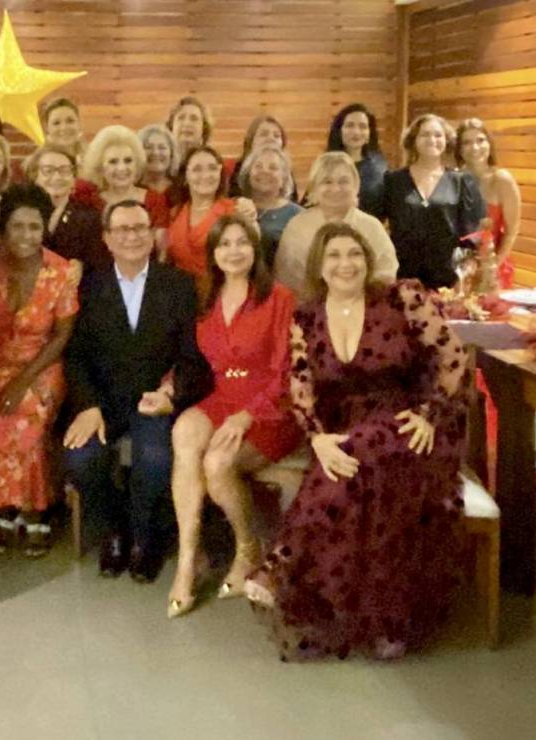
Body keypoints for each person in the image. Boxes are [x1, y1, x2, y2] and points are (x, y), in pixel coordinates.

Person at [245, 221, 468, 661]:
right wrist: (317, 440)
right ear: (319, 267)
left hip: (408, 423)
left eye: (354, 254)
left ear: (368, 260)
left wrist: (431, 413)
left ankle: (281, 563)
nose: (345, 264)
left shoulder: (402, 298)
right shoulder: (307, 318)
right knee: (351, 472)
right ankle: (385, 622)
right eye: (334, 256)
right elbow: (300, 388)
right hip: (346, 430)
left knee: (351, 455)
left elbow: (453, 356)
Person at [64, 200, 212, 584]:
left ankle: (145, 537)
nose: (132, 236)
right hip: (102, 402)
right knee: (81, 459)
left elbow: (193, 355)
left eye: (139, 228)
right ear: (107, 239)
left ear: (152, 236)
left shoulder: (178, 285)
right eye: (122, 229)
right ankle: (115, 530)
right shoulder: (88, 286)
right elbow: (74, 355)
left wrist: (171, 394)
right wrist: (88, 405)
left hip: (153, 400)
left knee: (156, 459)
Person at [167, 216, 302, 619]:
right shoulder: (206, 296)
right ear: (213, 254)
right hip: (223, 397)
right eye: (224, 244)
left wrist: (246, 416)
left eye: (242, 242)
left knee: (217, 463)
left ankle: (247, 549)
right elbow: (192, 360)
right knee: (184, 432)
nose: (234, 251)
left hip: (271, 406)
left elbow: (287, 372)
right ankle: (187, 561)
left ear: (255, 249)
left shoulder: (278, 297)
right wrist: (167, 388)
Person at [0, 184, 80, 557]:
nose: (26, 235)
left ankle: (35, 509)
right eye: (17, 226)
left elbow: (62, 335)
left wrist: (22, 380)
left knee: (29, 422)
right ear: (4, 229)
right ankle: (5, 508)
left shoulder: (61, 272)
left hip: (43, 363)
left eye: (34, 227)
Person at [380, 113, 485, 290]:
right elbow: (377, 225)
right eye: (425, 135)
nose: (432, 140)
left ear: (447, 141)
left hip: (448, 281)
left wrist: (463, 276)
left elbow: (472, 237)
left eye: (438, 135)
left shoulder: (462, 182)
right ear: (413, 140)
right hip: (402, 279)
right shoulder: (393, 180)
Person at [275, 151, 398, 300]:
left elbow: (386, 273)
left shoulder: (372, 226)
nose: (336, 188)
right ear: (314, 187)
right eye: (327, 181)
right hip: (309, 307)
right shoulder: (297, 227)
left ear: (356, 186)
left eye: (343, 181)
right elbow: (287, 278)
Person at [167, 145, 257, 291]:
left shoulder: (235, 211)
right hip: (178, 294)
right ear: (185, 177)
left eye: (212, 168)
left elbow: (251, 262)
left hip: (220, 294)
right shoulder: (174, 213)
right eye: (197, 169)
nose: (206, 175)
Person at [455, 118, 521, 289]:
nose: (475, 147)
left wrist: (492, 267)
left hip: (493, 268)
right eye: (467, 142)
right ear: (459, 149)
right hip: (458, 270)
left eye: (480, 140)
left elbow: (512, 232)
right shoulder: (454, 180)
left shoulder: (502, 180)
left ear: (489, 143)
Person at [24, 143, 108, 272]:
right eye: (48, 171)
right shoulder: (21, 214)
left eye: (64, 170)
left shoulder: (89, 218)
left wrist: (81, 266)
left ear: (74, 178)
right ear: (35, 176)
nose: (57, 177)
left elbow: (99, 264)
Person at [80, 125, 172, 231]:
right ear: (100, 167)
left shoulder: (154, 201)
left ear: (137, 164)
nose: (122, 168)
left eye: (128, 160)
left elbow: (161, 240)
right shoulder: (92, 203)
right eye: (113, 162)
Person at [236, 142, 303, 271]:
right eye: (258, 166)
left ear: (284, 177)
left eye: (273, 168)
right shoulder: (235, 207)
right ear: (248, 173)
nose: (265, 172)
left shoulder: (298, 215)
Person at [325, 103, 388, 219]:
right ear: (339, 131)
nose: (356, 132)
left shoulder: (380, 169)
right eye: (349, 125)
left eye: (363, 126)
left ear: (369, 133)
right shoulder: (325, 165)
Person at [226, 115, 299, 202]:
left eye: (276, 136)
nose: (271, 139)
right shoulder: (234, 169)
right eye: (264, 134)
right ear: (251, 140)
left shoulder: (287, 171)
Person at [166, 96, 212, 163]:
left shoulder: (213, 164)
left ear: (203, 130)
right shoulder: (160, 165)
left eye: (194, 119)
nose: (187, 123)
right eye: (181, 118)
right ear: (171, 127)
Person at [137, 124, 179, 196]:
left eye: (162, 147)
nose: (156, 152)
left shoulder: (181, 189)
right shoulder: (130, 188)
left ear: (171, 154)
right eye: (148, 147)